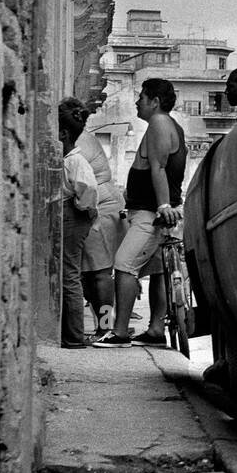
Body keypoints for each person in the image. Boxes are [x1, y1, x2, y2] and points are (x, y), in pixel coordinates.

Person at [95, 78, 187, 348]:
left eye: (142, 97)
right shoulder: (168, 125)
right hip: (152, 212)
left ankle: (120, 332)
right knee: (158, 272)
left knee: (124, 265)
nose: (137, 102)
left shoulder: (160, 123)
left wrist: (162, 206)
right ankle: (156, 330)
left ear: (155, 102)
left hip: (151, 213)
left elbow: (158, 168)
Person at [59, 98, 123, 335]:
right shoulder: (81, 138)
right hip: (93, 206)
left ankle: (106, 327)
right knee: (90, 275)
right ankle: (103, 326)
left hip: (98, 209)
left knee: (100, 274)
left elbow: (85, 189)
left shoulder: (79, 145)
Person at [58, 108, 99, 349]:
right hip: (71, 214)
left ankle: (74, 336)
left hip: (74, 215)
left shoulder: (76, 161)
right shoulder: (69, 160)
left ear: (63, 133)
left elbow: (89, 190)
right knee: (68, 273)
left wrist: (82, 206)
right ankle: (71, 333)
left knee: (70, 274)